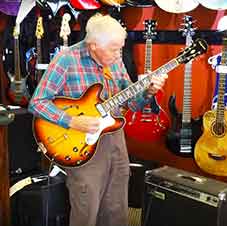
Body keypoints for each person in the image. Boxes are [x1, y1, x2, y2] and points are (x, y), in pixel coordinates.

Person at [28, 13, 167, 226]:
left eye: (120, 47)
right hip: (80, 142)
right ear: (93, 46)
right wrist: (72, 121)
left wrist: (148, 92)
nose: (119, 54)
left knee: (117, 207)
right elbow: (37, 103)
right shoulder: (66, 60)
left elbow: (131, 103)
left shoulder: (115, 60)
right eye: (114, 49)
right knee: (87, 209)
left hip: (115, 140)